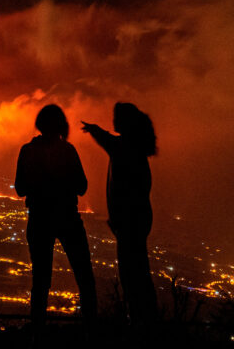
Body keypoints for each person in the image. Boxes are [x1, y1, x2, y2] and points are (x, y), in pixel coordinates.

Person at [15, 104, 97, 331]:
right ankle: (92, 331)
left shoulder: (27, 150)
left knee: (40, 282)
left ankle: (37, 333)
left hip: (39, 220)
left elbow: (20, 189)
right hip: (68, 218)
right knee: (85, 278)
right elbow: (82, 186)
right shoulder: (67, 151)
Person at [82, 102, 157, 325]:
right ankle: (146, 320)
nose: (113, 120)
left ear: (125, 122)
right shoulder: (132, 147)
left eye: (116, 117)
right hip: (135, 221)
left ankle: (142, 323)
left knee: (132, 275)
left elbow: (110, 144)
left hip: (129, 222)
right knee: (139, 271)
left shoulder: (125, 148)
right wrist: (95, 130)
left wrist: (95, 130)